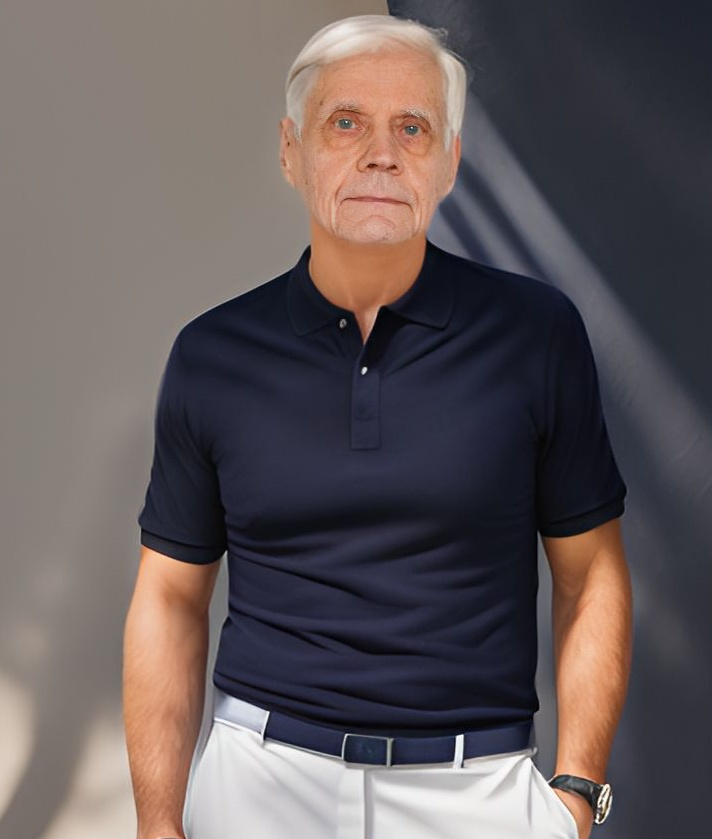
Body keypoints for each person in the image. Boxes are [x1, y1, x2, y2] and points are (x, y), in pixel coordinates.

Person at [123, 14, 632, 839]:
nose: (380, 153)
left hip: (478, 792)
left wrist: (573, 797)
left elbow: (590, 575)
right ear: (291, 152)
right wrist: (156, 823)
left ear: (449, 162)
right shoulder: (212, 354)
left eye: (413, 127)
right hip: (260, 785)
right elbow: (171, 597)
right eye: (345, 122)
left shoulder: (536, 334)